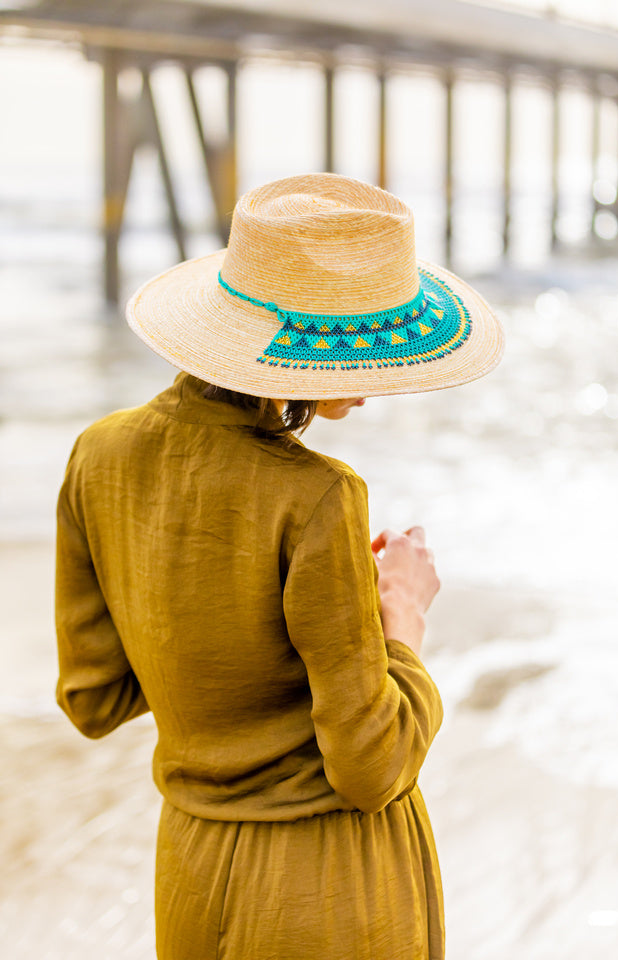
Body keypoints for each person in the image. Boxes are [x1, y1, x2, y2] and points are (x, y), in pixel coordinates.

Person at [55, 173, 504, 960]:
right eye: (363, 348)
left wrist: (210, 603)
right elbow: (372, 765)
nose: (374, 382)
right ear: (307, 351)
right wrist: (401, 619)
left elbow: (95, 697)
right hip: (329, 888)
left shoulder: (100, 457)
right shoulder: (319, 496)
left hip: (189, 873)